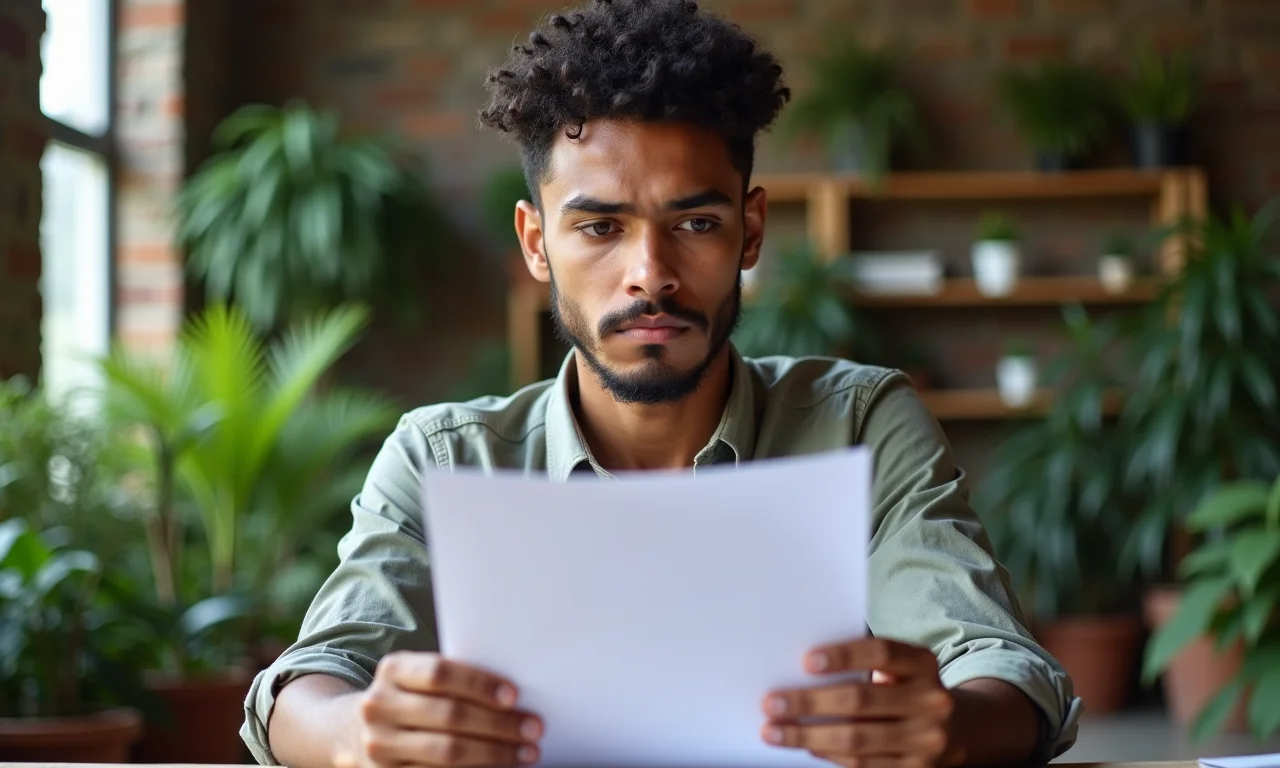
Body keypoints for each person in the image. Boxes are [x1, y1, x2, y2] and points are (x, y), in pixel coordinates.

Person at [242, 1, 1081, 765]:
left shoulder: (859, 423)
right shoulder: (443, 455)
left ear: (750, 231)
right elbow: (310, 680)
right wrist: (354, 732)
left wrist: (959, 727)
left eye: (696, 223)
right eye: (601, 227)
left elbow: (998, 664)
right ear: (536, 244)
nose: (651, 274)